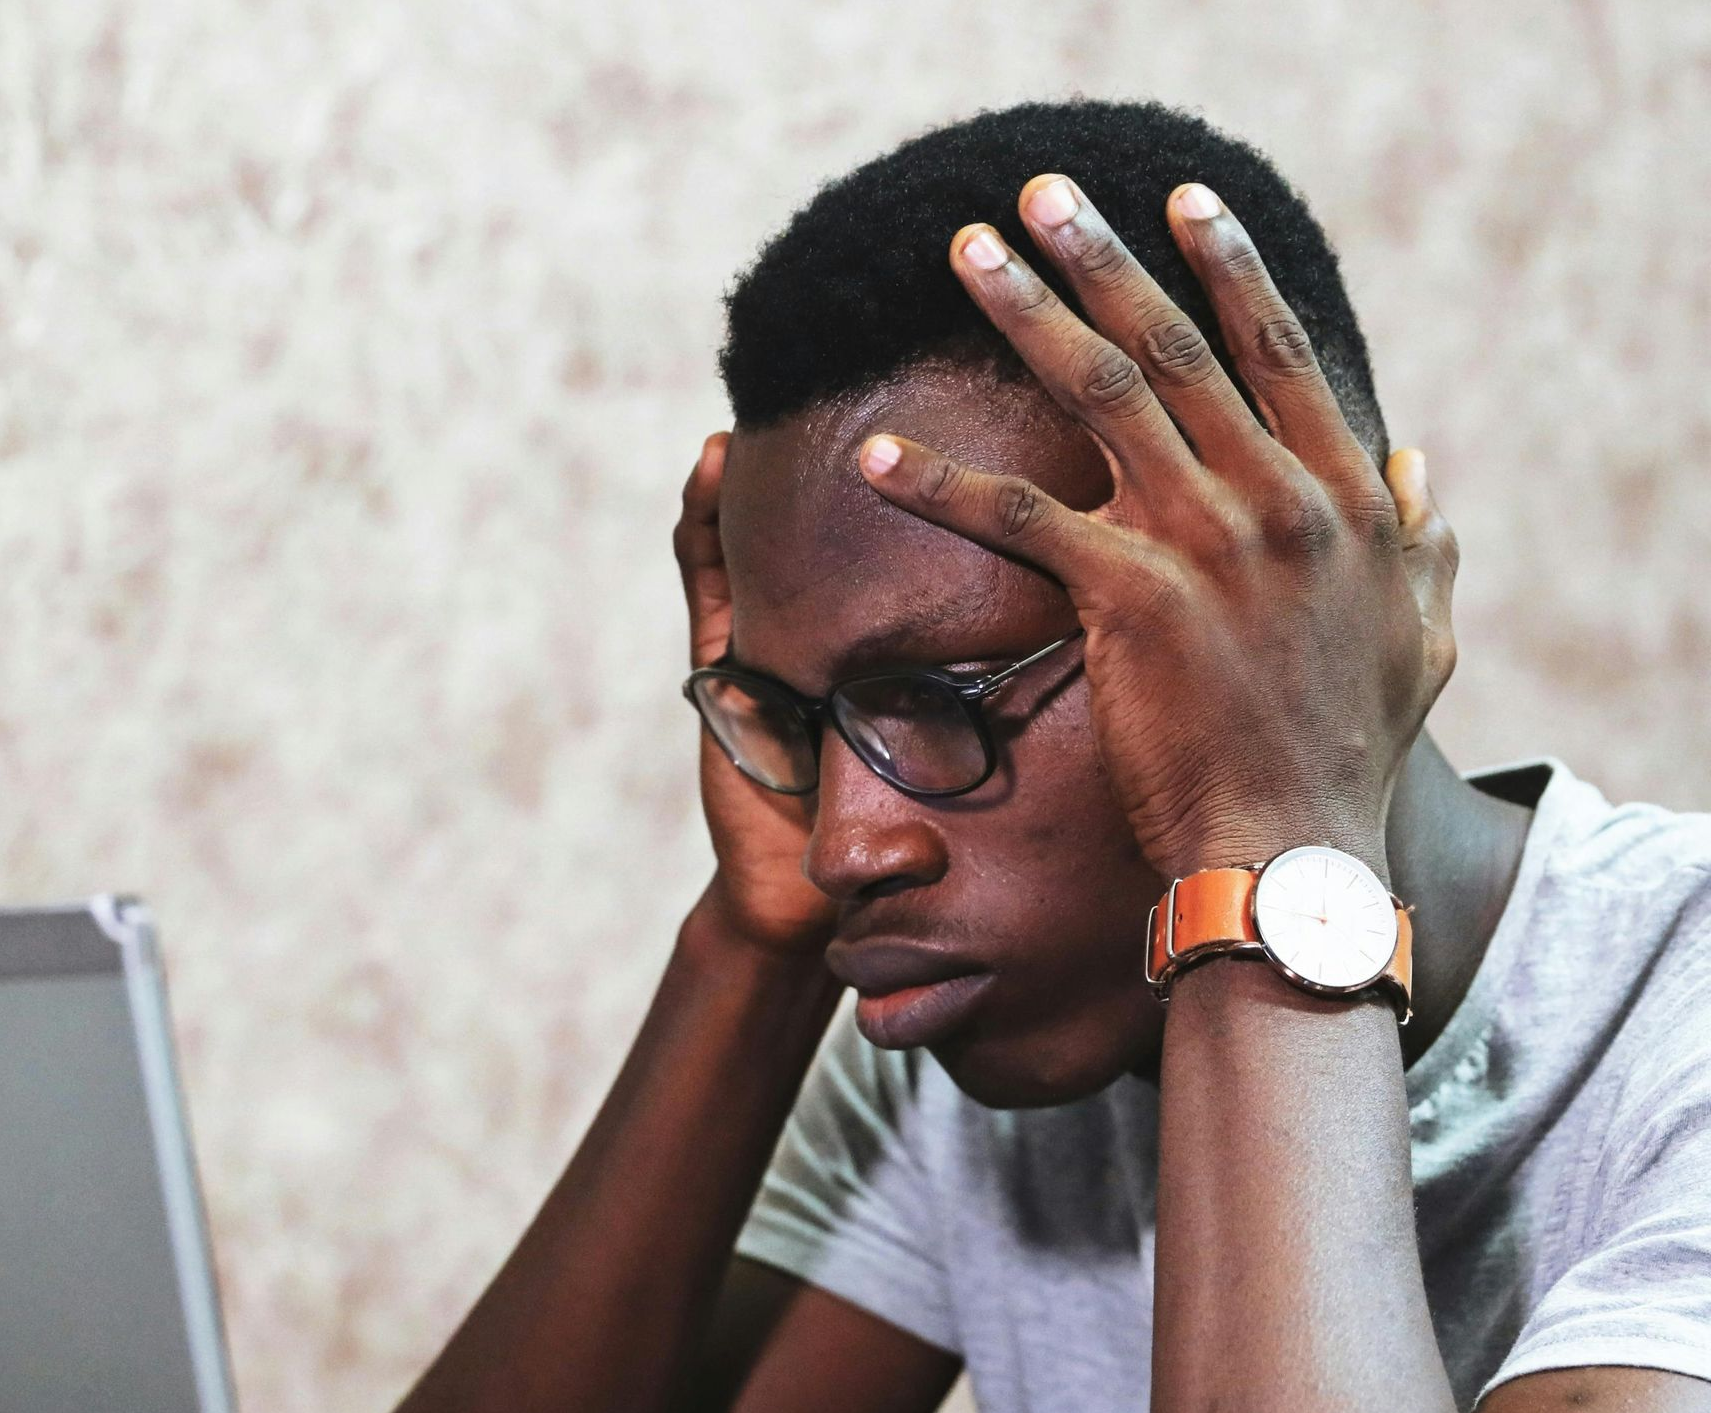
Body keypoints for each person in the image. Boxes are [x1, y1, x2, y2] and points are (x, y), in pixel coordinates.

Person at [404, 99, 1711, 1412]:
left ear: (1302, 602)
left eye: (937, 695)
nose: (847, 842)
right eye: (806, 719)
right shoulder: (976, 1046)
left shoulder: (1678, 1025)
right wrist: (752, 949)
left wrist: (1268, 855)